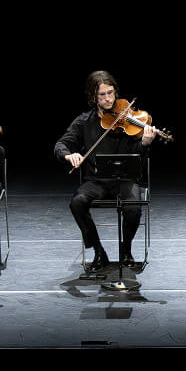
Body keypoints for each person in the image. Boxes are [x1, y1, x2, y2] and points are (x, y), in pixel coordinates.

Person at [56, 71, 159, 273]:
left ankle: (126, 250)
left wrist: (145, 143)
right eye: (102, 95)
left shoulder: (127, 119)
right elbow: (61, 144)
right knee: (77, 203)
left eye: (110, 93)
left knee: (133, 208)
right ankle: (98, 252)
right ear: (93, 97)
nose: (108, 99)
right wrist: (69, 155)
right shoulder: (84, 121)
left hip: (126, 179)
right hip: (96, 181)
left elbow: (136, 152)